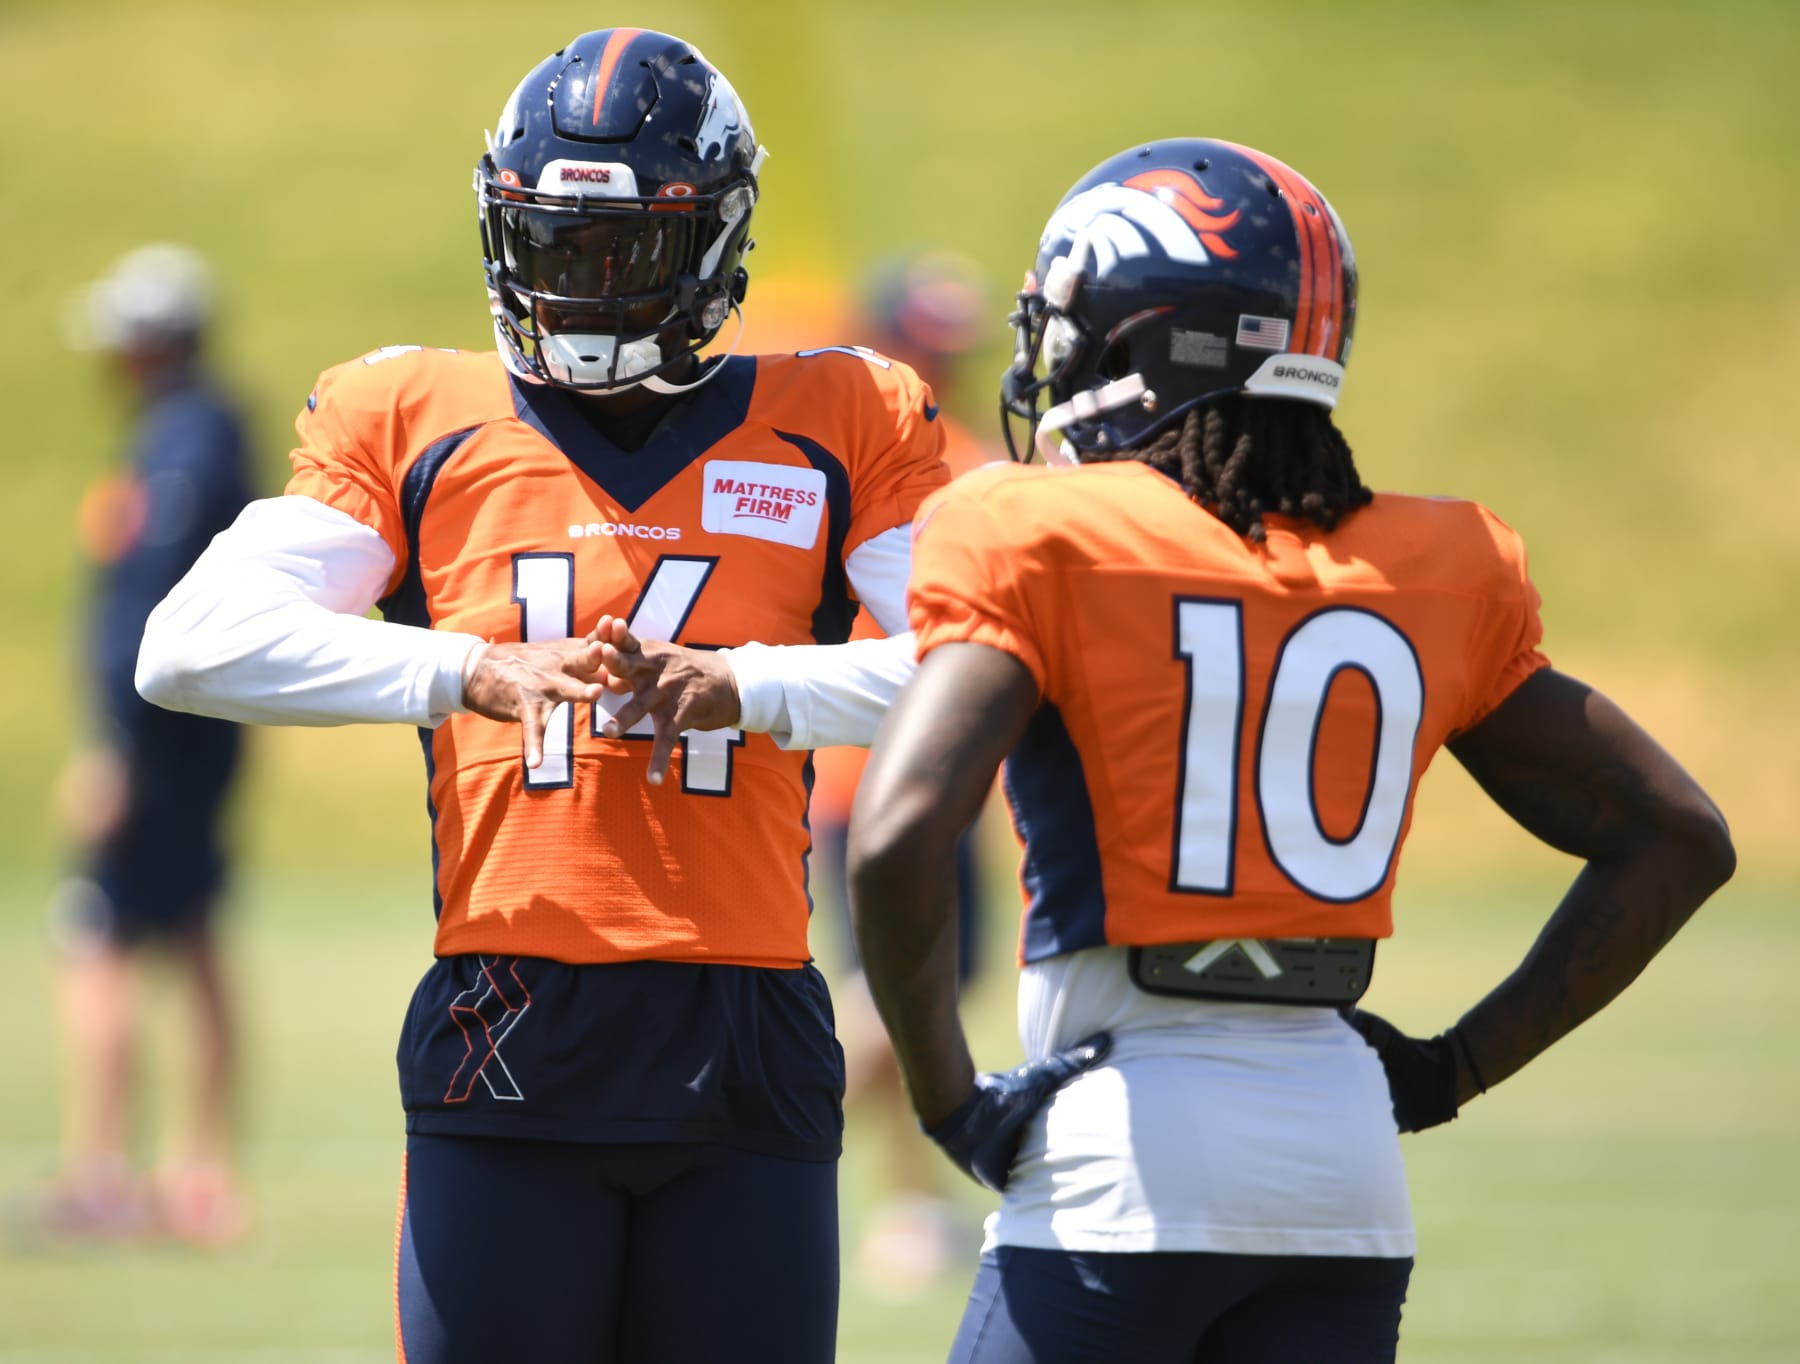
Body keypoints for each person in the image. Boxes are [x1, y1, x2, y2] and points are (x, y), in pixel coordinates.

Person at [843, 138, 1737, 1363]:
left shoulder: (1035, 530)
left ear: (1135, 343)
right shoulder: (1429, 568)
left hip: (1120, 1150)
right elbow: (1678, 835)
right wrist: (1451, 1069)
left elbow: (895, 832)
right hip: (1344, 1177)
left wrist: (952, 1107)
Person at [135, 28, 949, 1364]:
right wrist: (469, 668)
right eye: (558, 247)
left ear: (714, 242)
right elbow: (188, 644)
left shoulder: (847, 411)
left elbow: (994, 666)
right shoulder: (411, 411)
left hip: (744, 1018)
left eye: (626, 251)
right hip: (509, 1011)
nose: (584, 289)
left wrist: (749, 689)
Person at [27, 244, 255, 1247]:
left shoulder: (183, 441)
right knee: (190, 932)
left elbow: (150, 617)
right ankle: (194, 1170)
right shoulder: (194, 431)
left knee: (98, 939)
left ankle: (110, 1169)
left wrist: (113, 747)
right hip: (192, 736)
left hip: (161, 739)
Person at [808, 250, 1002, 1294]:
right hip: (875, 773)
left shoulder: (961, 453)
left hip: (941, 778)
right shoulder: (873, 456)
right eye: (927, 342)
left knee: (921, 990)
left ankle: (910, 1203)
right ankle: (770, 1111)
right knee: (894, 992)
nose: (945, 364)